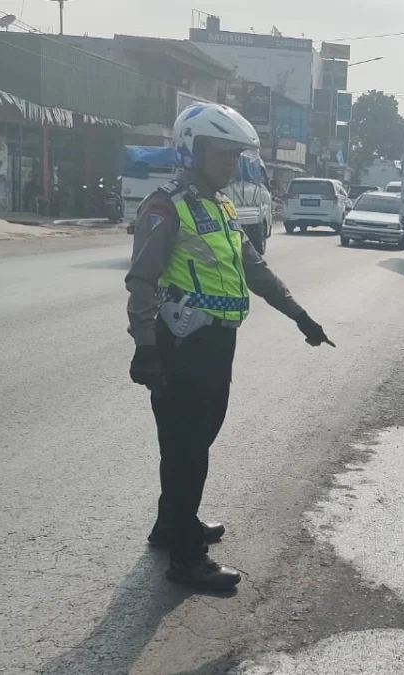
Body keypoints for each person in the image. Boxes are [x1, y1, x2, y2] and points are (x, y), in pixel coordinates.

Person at [125, 103, 334, 591]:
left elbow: (253, 268)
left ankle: (172, 524)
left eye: (238, 155)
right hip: (181, 345)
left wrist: (299, 315)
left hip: (218, 343)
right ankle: (186, 559)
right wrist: (146, 346)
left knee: (195, 441)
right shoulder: (165, 204)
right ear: (193, 149)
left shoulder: (218, 205)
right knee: (186, 449)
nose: (232, 164)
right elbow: (142, 280)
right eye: (224, 154)